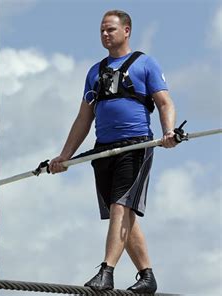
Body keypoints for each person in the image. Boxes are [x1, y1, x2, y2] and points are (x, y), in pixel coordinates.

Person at [49, 10, 177, 293]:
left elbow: (165, 103)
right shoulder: (95, 72)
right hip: (103, 150)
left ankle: (106, 271)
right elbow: (84, 118)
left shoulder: (145, 64)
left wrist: (168, 132)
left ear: (127, 30)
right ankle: (147, 277)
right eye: (102, 31)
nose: (105, 35)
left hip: (136, 146)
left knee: (122, 205)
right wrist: (65, 155)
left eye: (110, 30)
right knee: (123, 214)